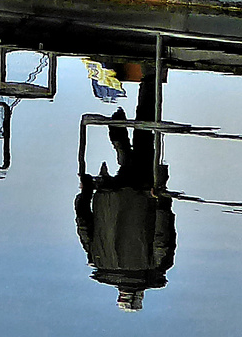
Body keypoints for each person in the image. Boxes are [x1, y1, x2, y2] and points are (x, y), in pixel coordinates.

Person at [75, 66, 176, 311]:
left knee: (147, 140)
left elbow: (162, 239)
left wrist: (162, 200)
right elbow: (83, 225)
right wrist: (86, 192)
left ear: (138, 294)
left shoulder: (153, 268)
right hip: (107, 197)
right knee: (135, 162)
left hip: (143, 196)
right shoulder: (96, 262)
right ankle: (121, 144)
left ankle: (150, 78)